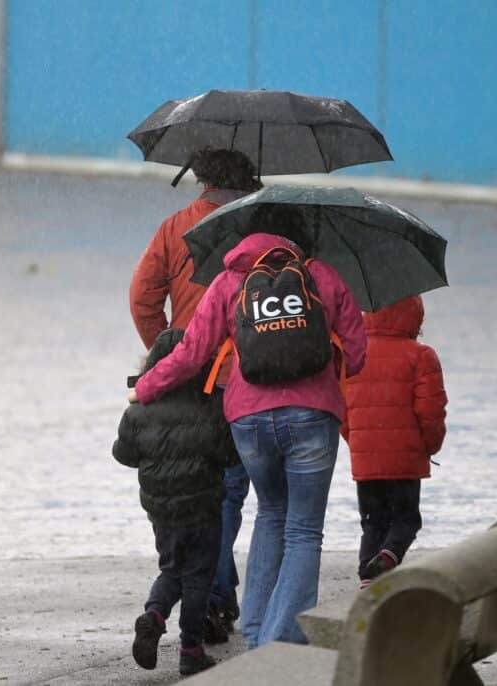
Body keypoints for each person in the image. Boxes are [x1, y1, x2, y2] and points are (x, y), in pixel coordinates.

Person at [128, 231, 367, 647]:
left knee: (270, 514)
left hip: (248, 419)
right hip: (312, 416)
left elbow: (191, 353)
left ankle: (256, 636)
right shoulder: (323, 277)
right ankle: (280, 642)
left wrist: (145, 387)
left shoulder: (229, 281)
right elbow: (358, 355)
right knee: (304, 530)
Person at [129, 148, 261, 637]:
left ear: (203, 180)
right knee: (230, 493)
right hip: (246, 379)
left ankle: (200, 597)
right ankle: (215, 598)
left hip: (188, 378)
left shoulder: (175, 228)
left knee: (197, 493)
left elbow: (142, 298)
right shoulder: (259, 230)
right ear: (247, 180)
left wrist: (168, 349)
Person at [112, 328, 240, 675]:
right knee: (198, 576)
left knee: (171, 570)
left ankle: (154, 615)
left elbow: (123, 455)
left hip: (162, 509)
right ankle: (191, 650)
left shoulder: (138, 411)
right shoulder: (211, 405)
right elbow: (229, 455)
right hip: (203, 506)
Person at [340, 296, 447, 588]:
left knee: (372, 521)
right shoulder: (421, 356)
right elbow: (431, 410)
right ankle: (388, 556)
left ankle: (367, 576)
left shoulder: (353, 355)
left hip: (366, 457)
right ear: (415, 315)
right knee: (406, 520)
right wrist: (430, 446)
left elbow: (342, 409)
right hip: (406, 458)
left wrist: (357, 442)